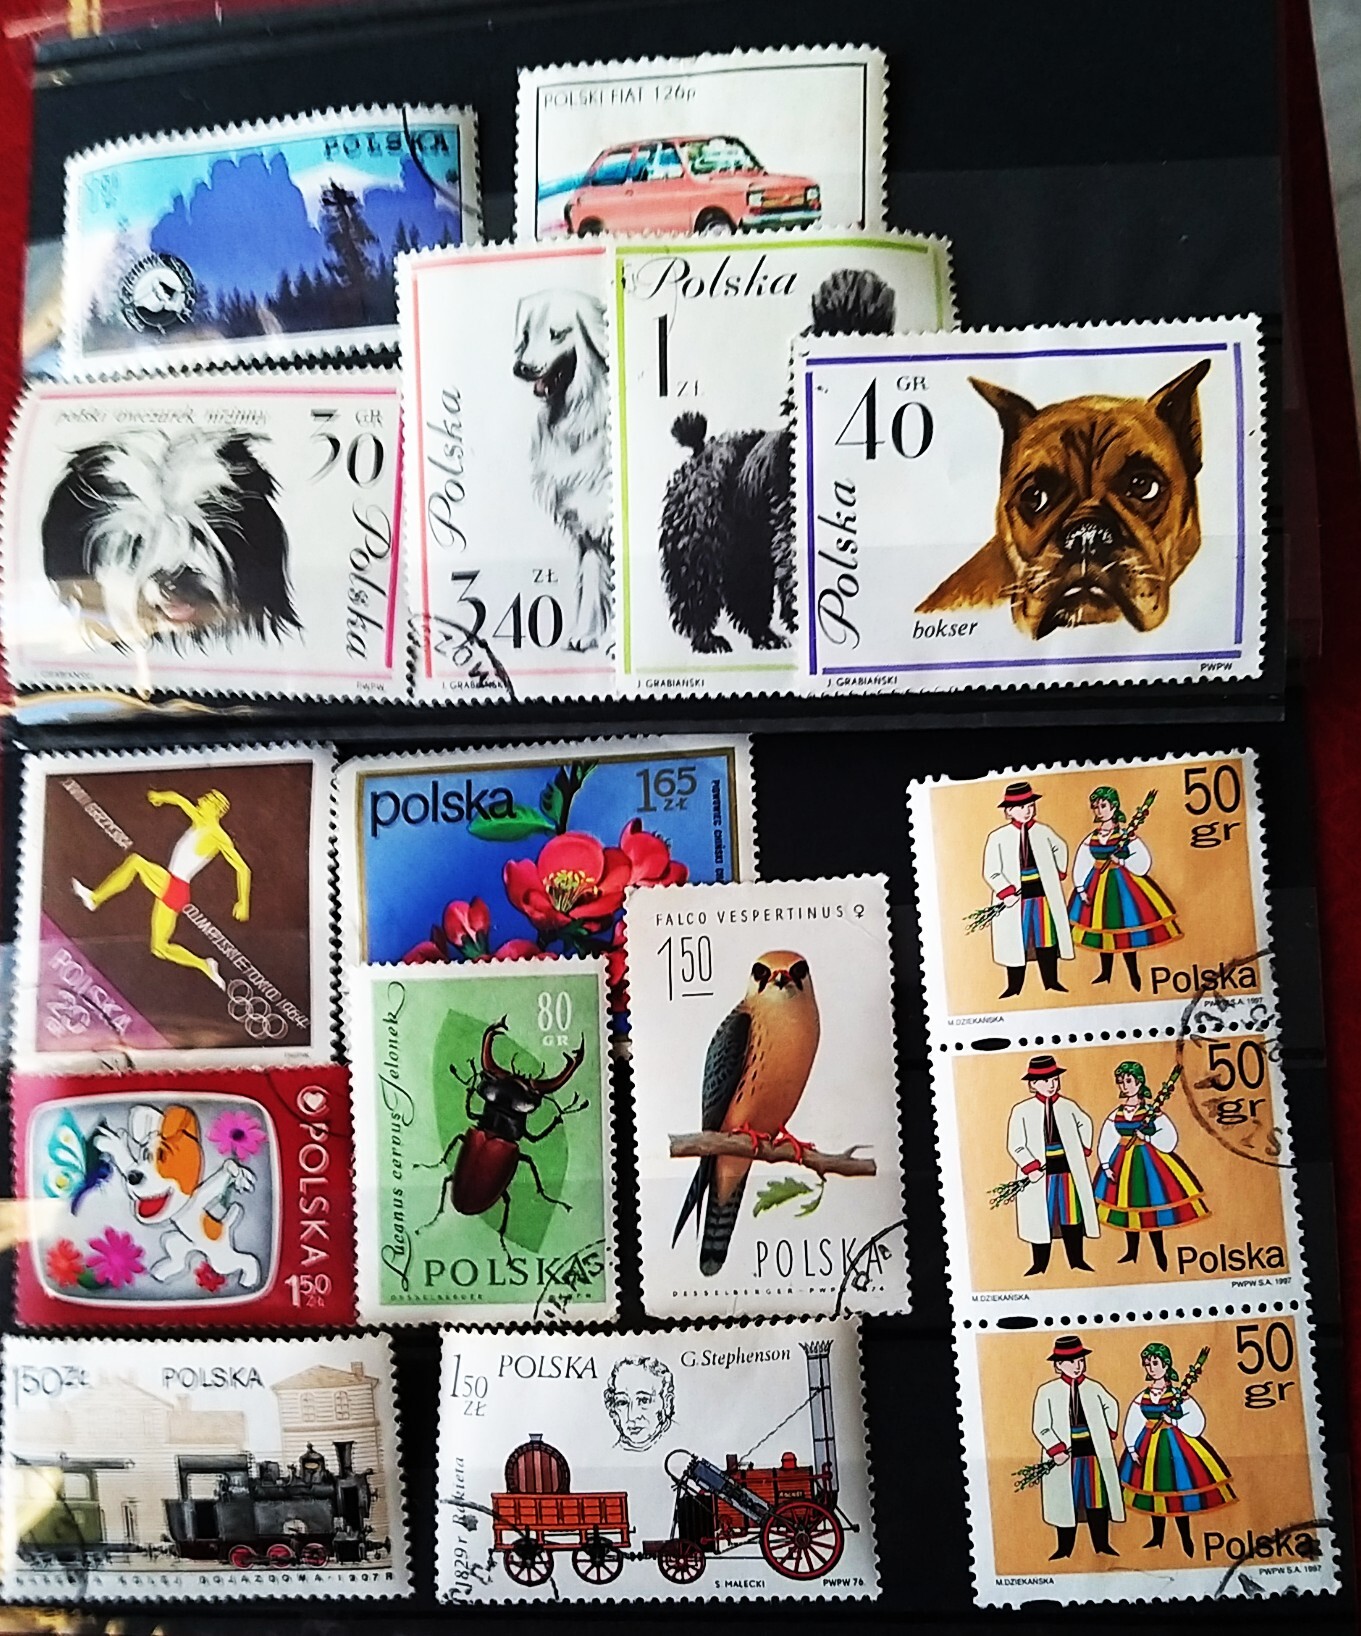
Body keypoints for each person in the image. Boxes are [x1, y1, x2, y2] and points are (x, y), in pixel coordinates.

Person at [72, 788, 250, 991]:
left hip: (175, 885)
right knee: (159, 948)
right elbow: (179, 799)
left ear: (216, 809)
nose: (200, 800)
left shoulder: (218, 836)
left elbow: (243, 869)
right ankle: (204, 965)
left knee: (136, 862)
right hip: (175, 888)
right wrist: (160, 797)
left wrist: (243, 902)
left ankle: (95, 898)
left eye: (207, 800)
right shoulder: (199, 820)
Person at [1119, 1341, 1236, 1556]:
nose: (1151, 1368)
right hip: (1148, 1446)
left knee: (1178, 1491)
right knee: (1153, 1492)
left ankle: (1186, 1538)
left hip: (1176, 1447)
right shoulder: (1143, 1396)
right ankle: (1157, 1537)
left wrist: (1173, 1421)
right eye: (1147, 1364)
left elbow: (1197, 1421)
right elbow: (1133, 1422)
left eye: (1155, 1363)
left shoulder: (1178, 1394)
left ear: (1166, 1365)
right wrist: (1132, 1448)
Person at [1095, 1061, 1209, 1271]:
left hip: (1148, 1164)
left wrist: (1147, 1138)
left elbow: (1169, 1137)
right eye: (1120, 1082)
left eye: (1128, 1081)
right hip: (1122, 1162)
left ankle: (1159, 1253)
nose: (1124, 1086)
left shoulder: (1152, 1112)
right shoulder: (1117, 1113)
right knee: (1127, 1208)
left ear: (1139, 1082)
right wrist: (1105, 1165)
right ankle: (1131, 1252)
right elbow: (1107, 1138)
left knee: (1151, 1206)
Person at [1068, 785, 1181, 992]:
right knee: (1102, 930)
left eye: (1103, 805)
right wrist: (1081, 889)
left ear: (1114, 807)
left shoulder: (1126, 835)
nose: (1099, 810)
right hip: (1097, 885)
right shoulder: (1092, 837)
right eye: (1096, 807)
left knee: (1125, 928)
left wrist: (1121, 861)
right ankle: (1105, 973)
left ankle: (1133, 973)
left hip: (1123, 887)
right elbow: (1082, 862)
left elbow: (1143, 861)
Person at [1030, 1334, 1123, 1559]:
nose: (1077, 1366)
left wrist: (1107, 1431)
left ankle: (1102, 1544)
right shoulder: (1047, 1391)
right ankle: (1064, 1549)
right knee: (1065, 1503)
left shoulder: (1094, 1388)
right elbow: (1041, 1425)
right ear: (1058, 1365)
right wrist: (1056, 1449)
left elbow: (1111, 1405)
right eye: (1071, 1361)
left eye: (1080, 1360)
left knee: (1096, 1500)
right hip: (1065, 1458)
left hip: (1093, 1454)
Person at [1006, 1055, 1099, 1276]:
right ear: (1033, 1084)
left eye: (1055, 1079)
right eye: (1046, 1080)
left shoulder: (1068, 1106)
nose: (1052, 1084)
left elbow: (1085, 1123)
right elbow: (1015, 1144)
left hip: (1067, 1172)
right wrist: (1030, 1166)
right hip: (1040, 1176)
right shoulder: (1022, 1110)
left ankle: (1076, 1260)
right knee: (1040, 1219)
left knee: (1071, 1216)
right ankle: (1040, 1264)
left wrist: (1082, 1148)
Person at [981, 781, 1073, 998]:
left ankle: (1051, 982)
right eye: (1022, 807)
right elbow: (991, 870)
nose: (1027, 811)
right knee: (1015, 941)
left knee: (1046, 938)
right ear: (1009, 811)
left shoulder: (1043, 831)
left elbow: (1060, 848)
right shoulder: (998, 837)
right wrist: (1006, 892)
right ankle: (1014, 987)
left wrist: (1057, 872)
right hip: (1016, 900)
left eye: (1030, 805)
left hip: (1042, 896)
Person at [603, 1356, 675, 1451]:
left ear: (667, 1402)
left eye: (644, 1401)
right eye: (622, 1402)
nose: (632, 1416)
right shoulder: (610, 1452)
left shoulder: (683, 1441)